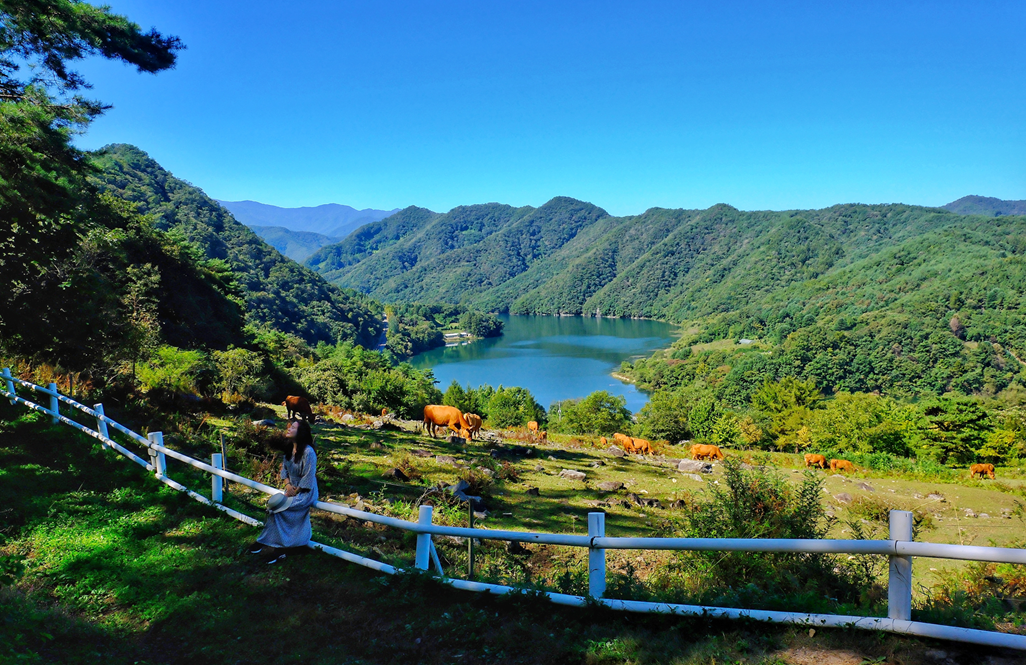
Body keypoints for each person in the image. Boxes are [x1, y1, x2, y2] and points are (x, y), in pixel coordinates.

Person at [249, 419, 318, 564]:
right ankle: (267, 541)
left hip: (306, 492)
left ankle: (281, 548)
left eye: (293, 427)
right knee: (274, 509)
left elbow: (309, 476)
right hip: (291, 489)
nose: (288, 429)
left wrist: (296, 490)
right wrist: (287, 486)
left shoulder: (308, 452)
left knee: (280, 510)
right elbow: (284, 470)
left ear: (300, 433)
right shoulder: (289, 449)